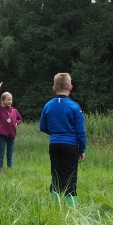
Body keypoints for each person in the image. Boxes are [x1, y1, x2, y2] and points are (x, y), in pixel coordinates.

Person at [39, 72, 86, 206]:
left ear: (54, 88)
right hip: (70, 145)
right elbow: (80, 131)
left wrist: (54, 132)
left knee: (56, 175)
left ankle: (54, 205)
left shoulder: (48, 105)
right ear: (70, 87)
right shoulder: (74, 107)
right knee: (70, 177)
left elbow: (42, 126)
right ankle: (71, 210)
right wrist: (81, 149)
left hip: (54, 144)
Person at [0, 81, 23, 172]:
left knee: (10, 154)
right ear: (3, 101)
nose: (10, 101)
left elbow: (20, 119)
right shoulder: (1, 109)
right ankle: (1, 169)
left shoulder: (14, 111)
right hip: (2, 135)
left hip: (11, 136)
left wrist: (16, 123)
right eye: (8, 100)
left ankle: (10, 169)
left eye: (11, 100)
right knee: (1, 153)